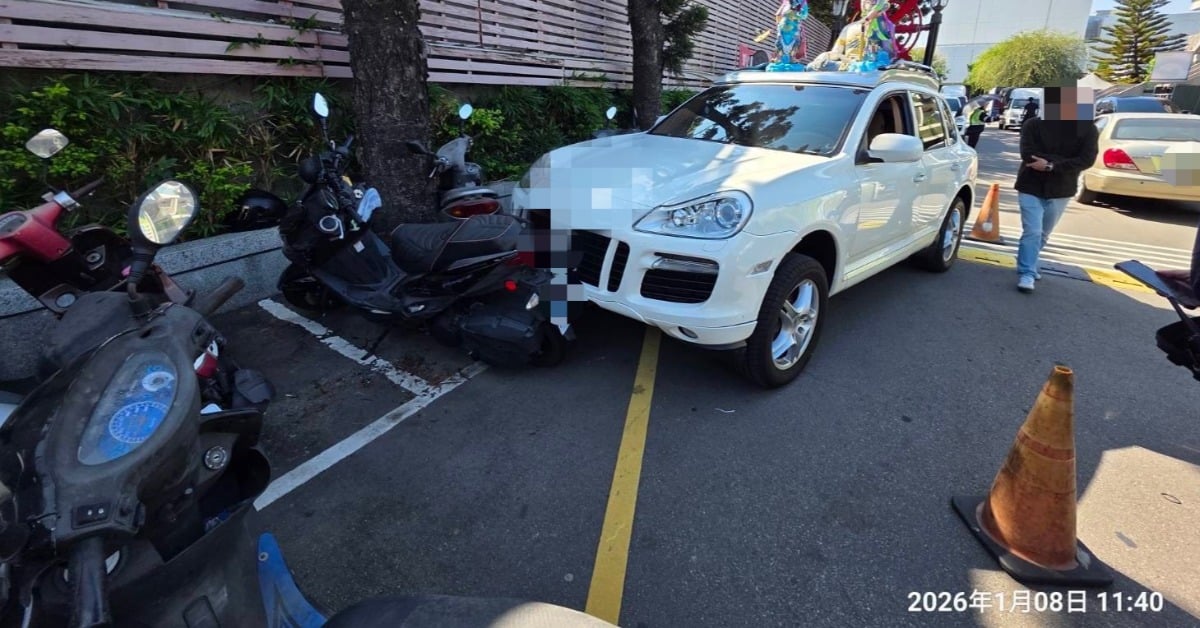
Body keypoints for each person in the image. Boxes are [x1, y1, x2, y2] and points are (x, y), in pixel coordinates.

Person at [1013, 86, 1099, 293]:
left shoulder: (1088, 129)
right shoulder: (1033, 125)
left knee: (1043, 234)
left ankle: (1029, 260)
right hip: (1030, 185)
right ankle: (1026, 272)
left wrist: (1051, 165)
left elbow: (1086, 159)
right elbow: (1028, 154)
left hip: (1062, 189)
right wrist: (1060, 162)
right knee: (1032, 231)